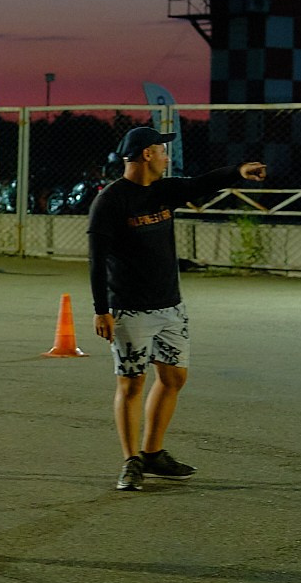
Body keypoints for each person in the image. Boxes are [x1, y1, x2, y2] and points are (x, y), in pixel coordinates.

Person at [88, 127, 268, 491]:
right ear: (146, 155)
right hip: (129, 310)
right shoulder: (111, 200)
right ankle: (131, 461)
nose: (167, 156)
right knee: (132, 383)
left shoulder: (164, 191)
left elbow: (201, 183)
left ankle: (153, 453)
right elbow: (96, 258)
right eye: (161, 150)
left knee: (174, 379)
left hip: (170, 307)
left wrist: (239, 171)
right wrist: (101, 309)